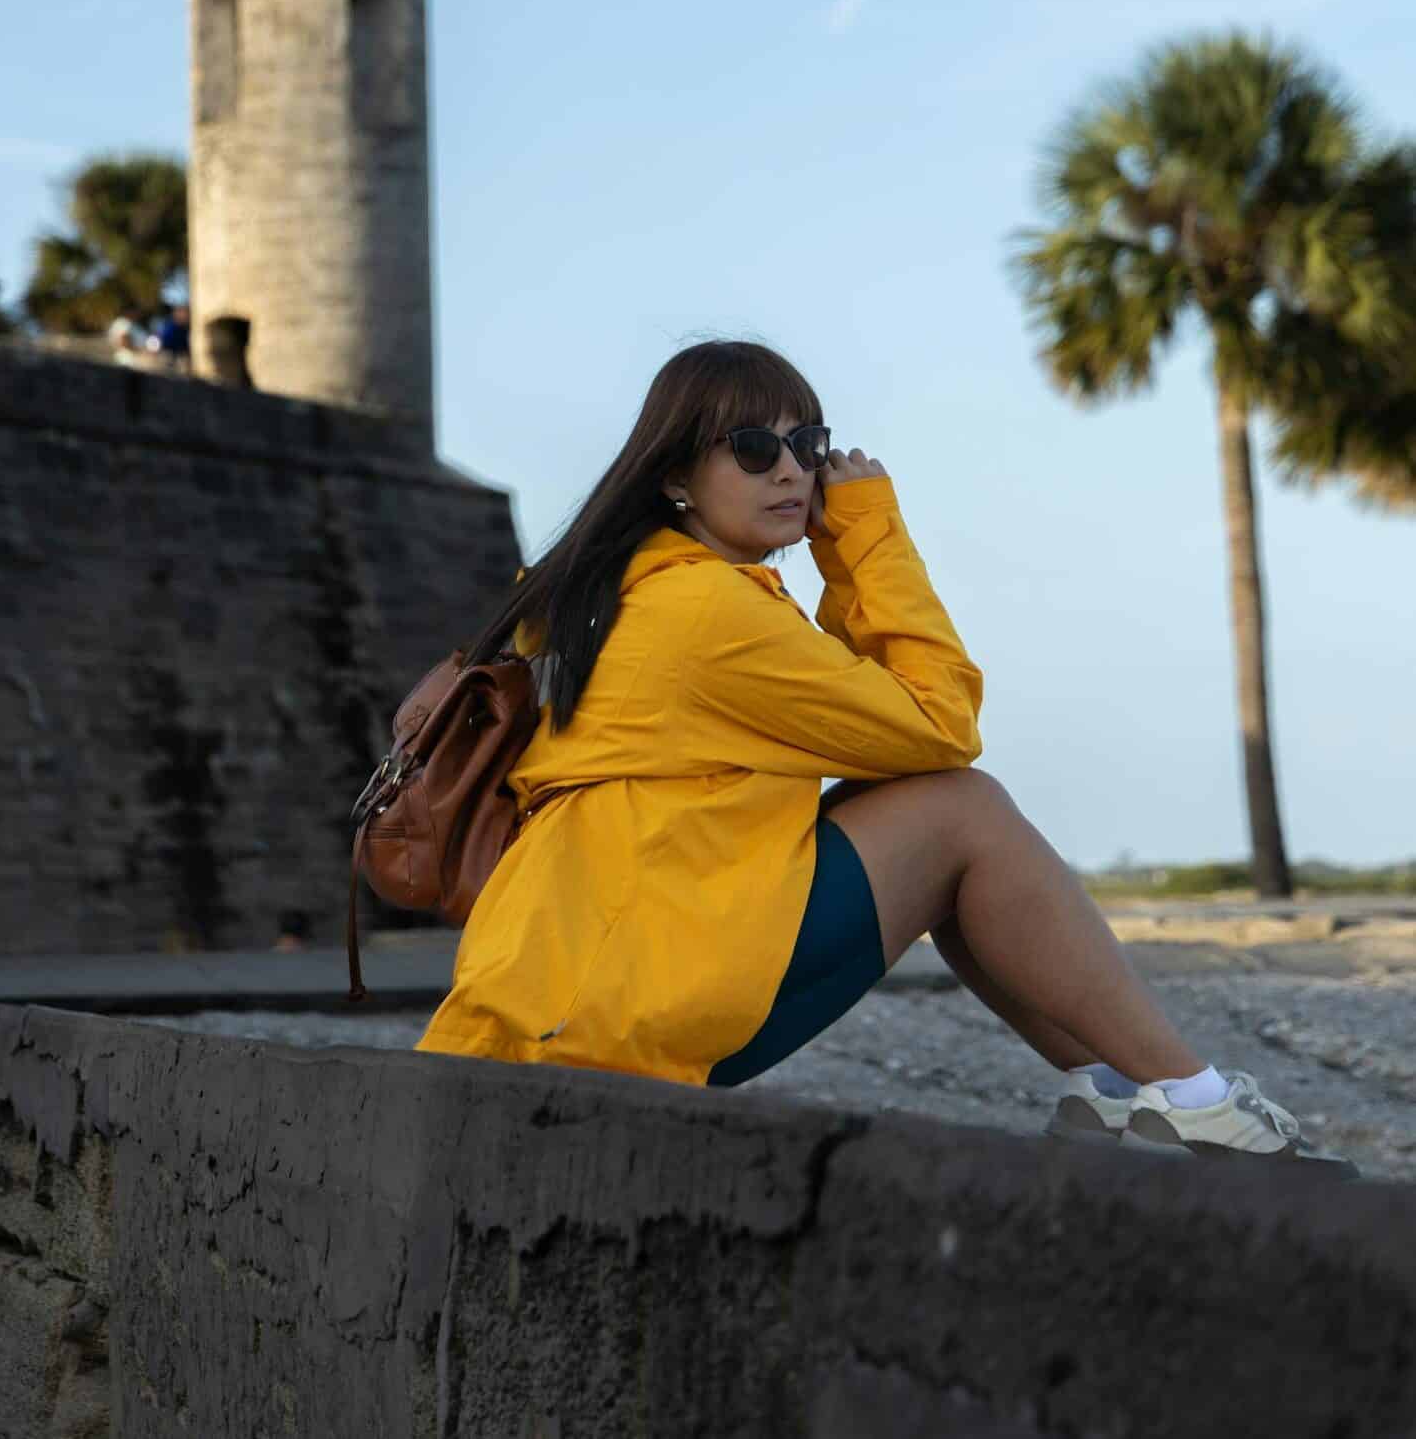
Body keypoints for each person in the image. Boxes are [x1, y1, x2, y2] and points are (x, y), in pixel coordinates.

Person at [415, 339, 1351, 1168]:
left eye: (808, 445)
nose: (792, 471)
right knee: (962, 807)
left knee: (914, 799)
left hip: (550, 988)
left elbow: (878, 732)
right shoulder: (707, 610)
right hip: (638, 1004)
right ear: (676, 476)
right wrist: (865, 532)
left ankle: (1113, 1091)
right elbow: (940, 722)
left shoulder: (586, 590)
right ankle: (1195, 1102)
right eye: (753, 448)